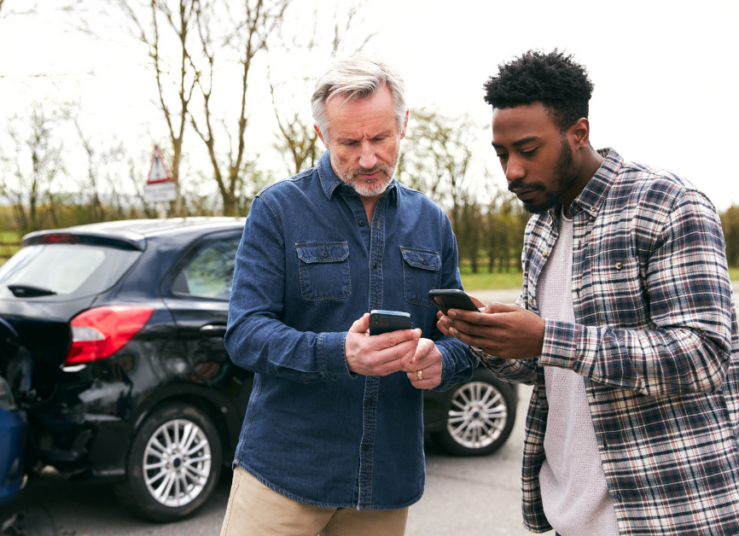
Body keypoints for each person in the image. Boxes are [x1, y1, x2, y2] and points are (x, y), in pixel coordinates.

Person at [438, 50, 739, 535]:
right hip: (571, 516)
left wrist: (548, 337)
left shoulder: (668, 205)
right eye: (502, 154)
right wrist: (488, 337)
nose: (511, 171)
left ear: (578, 133)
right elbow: (545, 368)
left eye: (528, 150)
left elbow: (702, 357)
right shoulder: (540, 230)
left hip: (669, 515)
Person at [220, 56, 476, 536]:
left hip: (386, 483)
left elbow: (462, 335)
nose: (368, 158)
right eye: (350, 143)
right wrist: (341, 353)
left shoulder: (432, 222)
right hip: (284, 477)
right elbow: (245, 334)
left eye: (380, 138)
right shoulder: (276, 209)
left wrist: (443, 360)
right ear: (321, 135)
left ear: (403, 124)